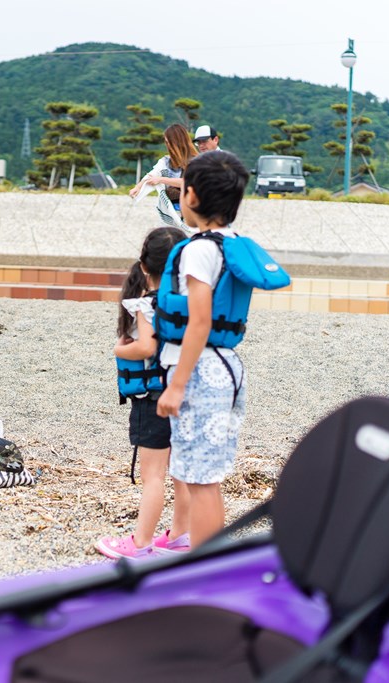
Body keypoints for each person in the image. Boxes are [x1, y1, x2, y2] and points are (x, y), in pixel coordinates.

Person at [156, 150, 250, 548]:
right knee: (205, 475)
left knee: (201, 480)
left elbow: (199, 320)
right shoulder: (232, 243)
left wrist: (176, 385)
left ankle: (206, 566)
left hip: (201, 370)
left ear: (190, 196)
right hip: (227, 366)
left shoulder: (198, 249)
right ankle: (204, 557)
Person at [96, 226, 191, 559]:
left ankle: (140, 544)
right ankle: (180, 536)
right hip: (185, 394)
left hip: (154, 400)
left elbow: (147, 346)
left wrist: (120, 349)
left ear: (145, 266)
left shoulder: (145, 304)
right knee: (180, 472)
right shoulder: (189, 303)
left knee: (153, 476)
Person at [129, 124, 199, 230]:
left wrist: (161, 179)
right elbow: (153, 174)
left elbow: (188, 182)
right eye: (166, 142)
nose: (167, 145)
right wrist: (138, 187)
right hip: (170, 212)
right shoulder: (166, 161)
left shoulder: (196, 161)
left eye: (169, 142)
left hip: (190, 211)